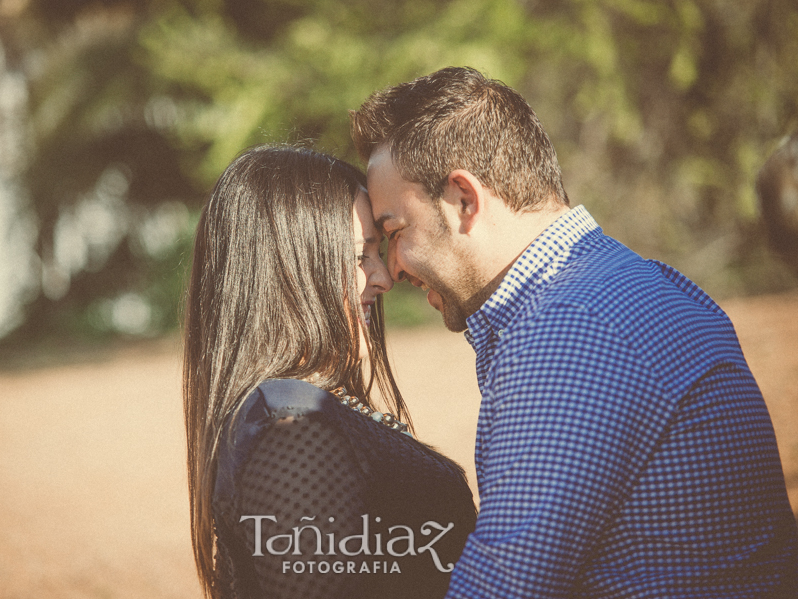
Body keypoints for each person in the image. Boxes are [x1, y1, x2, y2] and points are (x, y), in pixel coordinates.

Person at [350, 67, 798, 598]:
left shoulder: (570, 332)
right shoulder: (637, 282)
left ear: (463, 200)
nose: (394, 267)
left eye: (395, 231)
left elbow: (503, 587)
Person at [181, 145, 477, 599]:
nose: (383, 277)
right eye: (362, 257)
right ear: (288, 268)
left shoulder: (301, 411)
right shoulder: (291, 430)